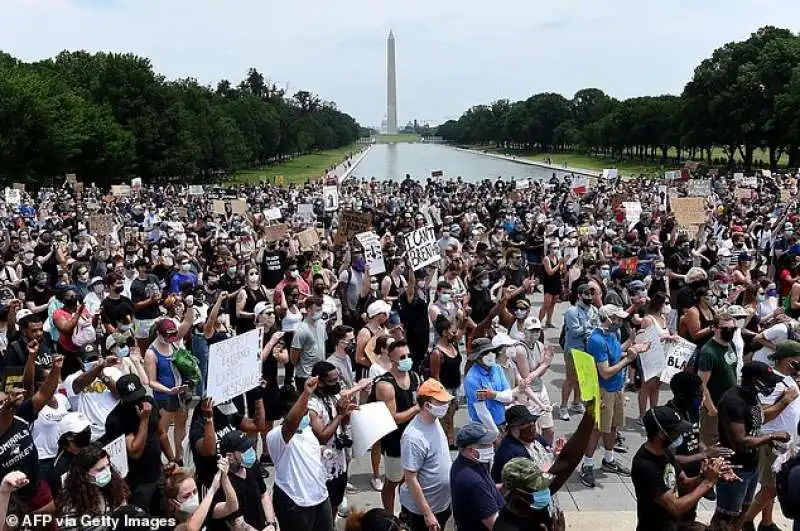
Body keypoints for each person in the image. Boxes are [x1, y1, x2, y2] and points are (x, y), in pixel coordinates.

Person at [714, 361, 791, 529]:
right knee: (725, 518)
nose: (771, 386)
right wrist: (771, 436)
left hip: (751, 465)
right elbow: (740, 442)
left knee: (743, 511)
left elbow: (755, 424)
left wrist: (768, 441)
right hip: (734, 468)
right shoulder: (733, 402)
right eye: (768, 381)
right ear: (754, 380)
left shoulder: (751, 396)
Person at [580, 304, 649, 488]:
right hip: (602, 391)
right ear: (608, 319)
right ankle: (587, 465)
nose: (620, 322)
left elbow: (615, 353)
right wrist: (629, 359)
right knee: (597, 428)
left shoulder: (612, 334)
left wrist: (633, 346)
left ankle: (608, 459)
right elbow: (605, 372)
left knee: (613, 425)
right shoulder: (596, 340)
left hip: (616, 388)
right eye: (617, 319)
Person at [631, 406, 730, 531]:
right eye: (676, 431)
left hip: (672, 525)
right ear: (661, 434)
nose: (680, 435)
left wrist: (706, 475)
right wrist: (707, 483)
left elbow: (684, 483)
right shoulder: (646, 466)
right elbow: (675, 507)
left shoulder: (664, 452)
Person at [742, 342, 800, 531]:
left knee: (775, 486)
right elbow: (761, 416)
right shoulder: (772, 382)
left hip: (787, 443)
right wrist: (784, 400)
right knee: (771, 488)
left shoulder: (788, 379)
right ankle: (744, 521)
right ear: (790, 360)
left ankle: (766, 523)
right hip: (772, 443)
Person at [266, 378, 333, 531]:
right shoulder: (275, 436)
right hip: (294, 502)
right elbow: (290, 425)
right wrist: (306, 394)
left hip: (320, 498)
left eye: (305, 411)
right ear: (285, 413)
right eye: (300, 411)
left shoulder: (308, 431)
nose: (304, 415)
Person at [103, 373, 174, 515]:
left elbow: (161, 433)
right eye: (132, 399)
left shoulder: (149, 403)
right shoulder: (116, 419)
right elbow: (134, 451)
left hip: (158, 473)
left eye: (139, 396)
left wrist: (172, 459)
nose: (137, 402)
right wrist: (144, 420)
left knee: (165, 515)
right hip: (138, 483)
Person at [398, 378, 454, 531]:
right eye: (440, 402)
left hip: (441, 504)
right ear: (427, 405)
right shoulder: (413, 437)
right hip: (420, 513)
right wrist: (427, 514)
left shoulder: (435, 421)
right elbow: (410, 478)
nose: (446, 406)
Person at [373, 339, 421, 512]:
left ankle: (406, 511)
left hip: (414, 437)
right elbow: (393, 418)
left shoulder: (414, 376)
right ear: (392, 360)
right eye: (402, 357)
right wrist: (418, 408)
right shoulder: (385, 385)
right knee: (393, 481)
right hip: (395, 441)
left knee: (409, 480)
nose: (406, 359)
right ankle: (388, 514)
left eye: (408, 355)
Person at [308, 360, 359, 518]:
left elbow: (343, 422)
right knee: (325, 504)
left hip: (339, 460)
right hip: (322, 465)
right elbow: (322, 436)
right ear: (320, 382)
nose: (337, 383)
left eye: (338, 379)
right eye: (332, 380)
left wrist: (347, 413)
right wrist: (340, 415)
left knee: (336, 500)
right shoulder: (312, 405)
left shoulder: (334, 396)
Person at [57, 443, 130, 531]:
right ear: (84, 475)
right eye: (100, 469)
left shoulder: (114, 487)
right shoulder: (71, 508)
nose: (107, 472)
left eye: (108, 466)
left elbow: (123, 511)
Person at [213, 430, 276, 531]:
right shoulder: (224, 481)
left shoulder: (252, 466)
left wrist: (271, 523)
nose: (250, 451)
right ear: (230, 457)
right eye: (244, 450)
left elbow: (263, 494)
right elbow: (236, 522)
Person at [449, 422, 505, 531]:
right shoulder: (474, 482)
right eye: (486, 445)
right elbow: (495, 525)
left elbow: (489, 489)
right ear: (471, 450)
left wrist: (505, 486)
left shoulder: (466, 462)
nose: (492, 447)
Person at [697, 313, 739, 446]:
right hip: (714, 404)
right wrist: (710, 407)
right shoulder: (708, 352)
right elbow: (701, 383)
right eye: (726, 329)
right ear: (715, 329)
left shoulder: (730, 344)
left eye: (733, 329)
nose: (730, 332)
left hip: (728, 403)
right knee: (710, 442)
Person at [163, 458, 239, 530]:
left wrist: (224, 477)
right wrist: (212, 490)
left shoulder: (203, 508)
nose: (193, 497)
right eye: (186, 496)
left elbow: (232, 506)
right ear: (172, 502)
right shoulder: (170, 523)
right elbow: (191, 528)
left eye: (195, 491)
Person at [560, 282, 598, 420]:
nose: (589, 296)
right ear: (579, 295)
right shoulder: (572, 311)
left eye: (591, 294)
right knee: (570, 379)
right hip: (573, 350)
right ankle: (563, 406)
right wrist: (588, 326)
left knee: (581, 379)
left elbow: (597, 327)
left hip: (588, 350)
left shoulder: (594, 310)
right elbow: (575, 331)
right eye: (586, 294)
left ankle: (576, 403)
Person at [492, 404, 552, 481]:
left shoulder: (537, 438)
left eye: (531, 421)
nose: (530, 426)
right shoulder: (509, 451)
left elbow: (548, 454)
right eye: (523, 424)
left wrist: (556, 454)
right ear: (512, 428)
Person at [290, 296, 327, 390]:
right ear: (308, 310)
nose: (320, 313)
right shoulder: (302, 330)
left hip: (320, 373)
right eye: (317, 310)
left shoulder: (322, 324)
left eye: (321, 310)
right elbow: (293, 358)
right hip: (305, 376)